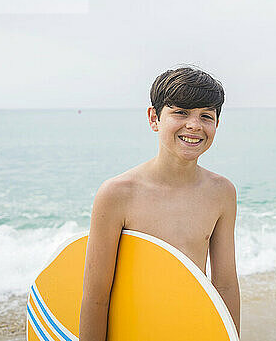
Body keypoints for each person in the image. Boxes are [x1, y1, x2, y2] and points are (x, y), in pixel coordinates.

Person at [78, 66, 241, 340]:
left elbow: (225, 285)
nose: (194, 125)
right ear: (154, 118)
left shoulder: (221, 192)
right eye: (180, 112)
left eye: (206, 116)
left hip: (192, 328)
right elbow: (96, 297)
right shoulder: (117, 194)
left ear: (216, 124)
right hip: (133, 330)